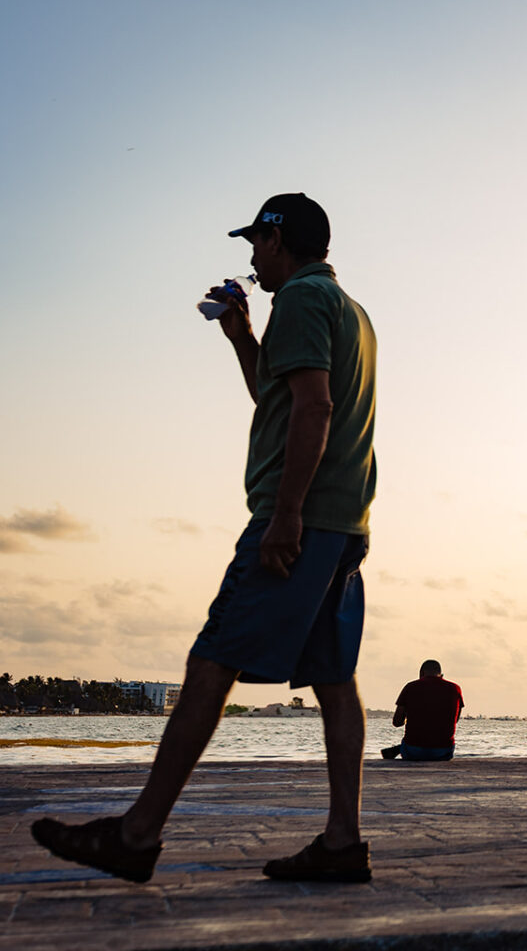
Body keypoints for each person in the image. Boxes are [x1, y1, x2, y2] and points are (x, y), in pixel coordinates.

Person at [30, 194, 378, 884]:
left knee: (212, 661)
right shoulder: (349, 311)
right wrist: (243, 338)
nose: (252, 257)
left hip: (301, 520)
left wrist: (285, 515)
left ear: (278, 238)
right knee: (335, 681)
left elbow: (315, 407)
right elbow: (279, 399)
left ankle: (136, 835)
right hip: (344, 523)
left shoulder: (305, 301)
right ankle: (342, 843)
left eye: (257, 241)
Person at [381, 660, 464, 761]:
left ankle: (399, 749)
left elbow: (397, 722)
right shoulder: (455, 689)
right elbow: (455, 720)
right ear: (441, 675)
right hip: (444, 752)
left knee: (409, 745)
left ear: (421, 673)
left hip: (413, 752)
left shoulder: (410, 687)